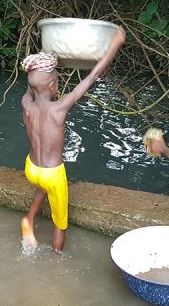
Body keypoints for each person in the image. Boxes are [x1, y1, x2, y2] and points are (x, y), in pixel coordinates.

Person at [20, 27, 126, 253]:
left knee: (41, 186)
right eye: (57, 80)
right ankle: (57, 256)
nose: (58, 84)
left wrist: (43, 59)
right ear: (52, 86)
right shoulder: (59, 108)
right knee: (61, 222)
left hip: (32, 167)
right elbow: (92, 76)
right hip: (52, 172)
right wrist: (114, 45)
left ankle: (29, 220)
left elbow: (33, 83)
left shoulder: (25, 103)